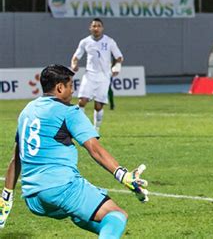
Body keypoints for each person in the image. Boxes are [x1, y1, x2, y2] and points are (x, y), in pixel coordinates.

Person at [0, 65, 148, 238]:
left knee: (85, 217)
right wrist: (123, 175)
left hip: (33, 198)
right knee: (116, 216)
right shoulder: (68, 111)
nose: (73, 91)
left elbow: (16, 157)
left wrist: (6, 196)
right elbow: (95, 149)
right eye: (71, 85)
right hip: (61, 188)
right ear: (60, 87)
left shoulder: (27, 111)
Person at [71, 18, 124, 131]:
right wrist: (74, 65)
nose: (96, 28)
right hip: (89, 75)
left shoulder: (109, 41)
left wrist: (117, 67)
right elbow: (76, 57)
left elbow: (119, 57)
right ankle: (82, 128)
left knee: (98, 105)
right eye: (94, 26)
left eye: (98, 26)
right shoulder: (85, 42)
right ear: (90, 28)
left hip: (104, 77)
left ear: (102, 28)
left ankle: (96, 129)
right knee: (82, 102)